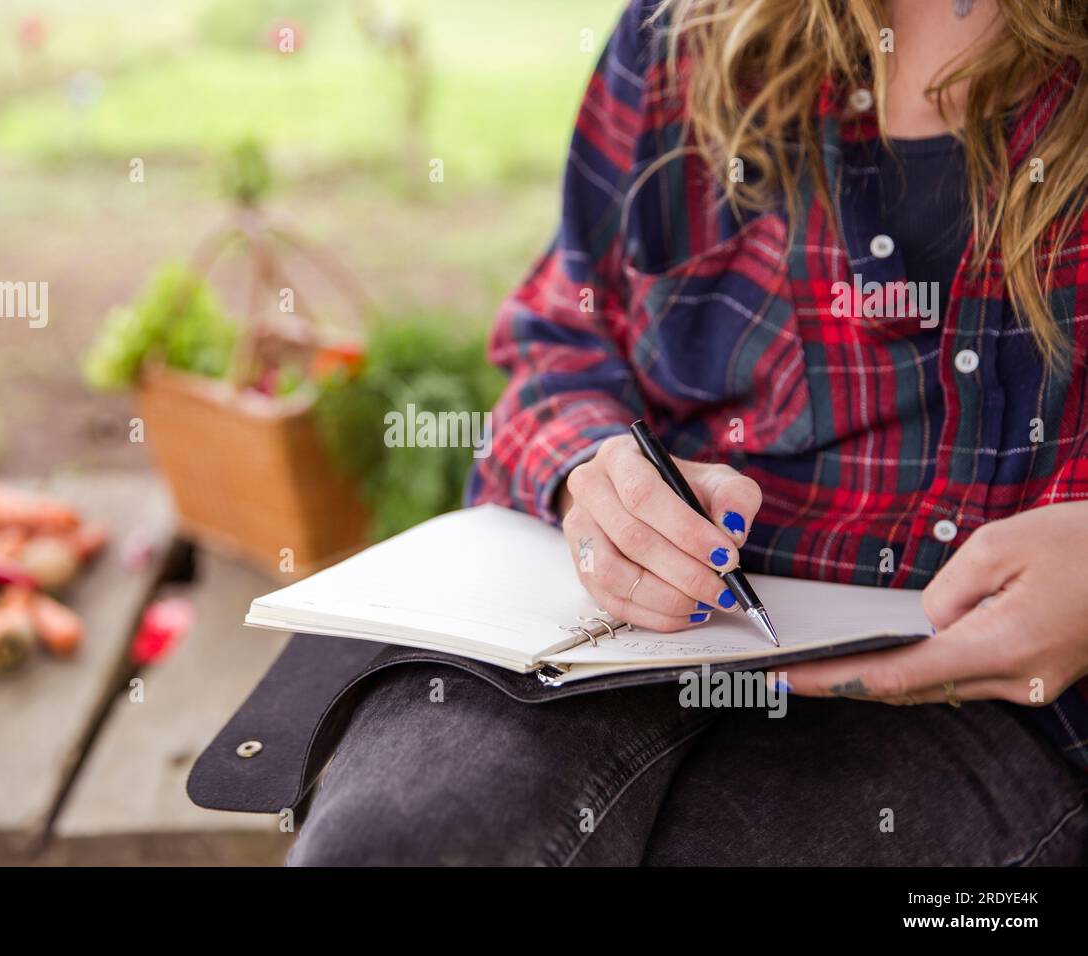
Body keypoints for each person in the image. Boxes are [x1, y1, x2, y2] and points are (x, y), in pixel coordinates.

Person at [289, 0, 1088, 865]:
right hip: (623, 635)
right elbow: (561, 344)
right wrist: (597, 482)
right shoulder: (683, 35)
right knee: (388, 849)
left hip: (995, 706)